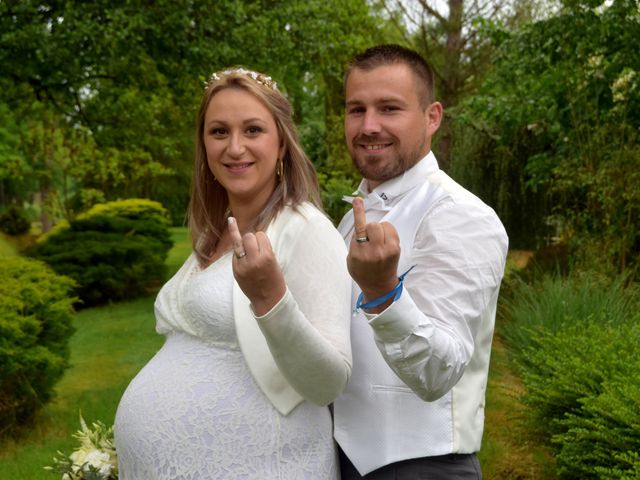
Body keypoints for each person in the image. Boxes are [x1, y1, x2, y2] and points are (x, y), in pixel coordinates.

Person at [114, 67, 352, 479]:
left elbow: (328, 384)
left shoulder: (305, 229)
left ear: (281, 144)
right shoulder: (215, 233)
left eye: (253, 130)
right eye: (219, 132)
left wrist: (270, 300)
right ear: (203, 143)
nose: (234, 147)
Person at [332, 45, 509, 479]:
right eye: (357, 109)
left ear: (432, 117)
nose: (369, 125)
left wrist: (382, 294)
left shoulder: (461, 216)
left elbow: (438, 371)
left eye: (389, 108)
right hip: (338, 460)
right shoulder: (349, 217)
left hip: (424, 467)